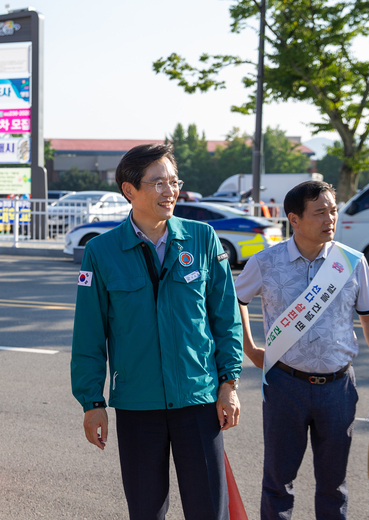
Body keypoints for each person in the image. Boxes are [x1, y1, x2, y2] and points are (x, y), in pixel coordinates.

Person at [71, 143, 243, 520]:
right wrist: (92, 403)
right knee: (146, 511)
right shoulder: (101, 251)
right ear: (130, 191)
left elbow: (225, 317)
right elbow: (88, 334)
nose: (170, 191)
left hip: (199, 400)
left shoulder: (202, 239)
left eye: (174, 181)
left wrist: (229, 383)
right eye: (158, 183)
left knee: (209, 510)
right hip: (137, 404)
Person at [235, 180, 369, 520]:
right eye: (319, 212)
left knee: (333, 484)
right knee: (278, 481)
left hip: (338, 387)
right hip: (284, 384)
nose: (330, 219)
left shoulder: (351, 263)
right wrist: (249, 347)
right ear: (294, 219)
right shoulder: (266, 262)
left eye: (333, 211)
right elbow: (235, 301)